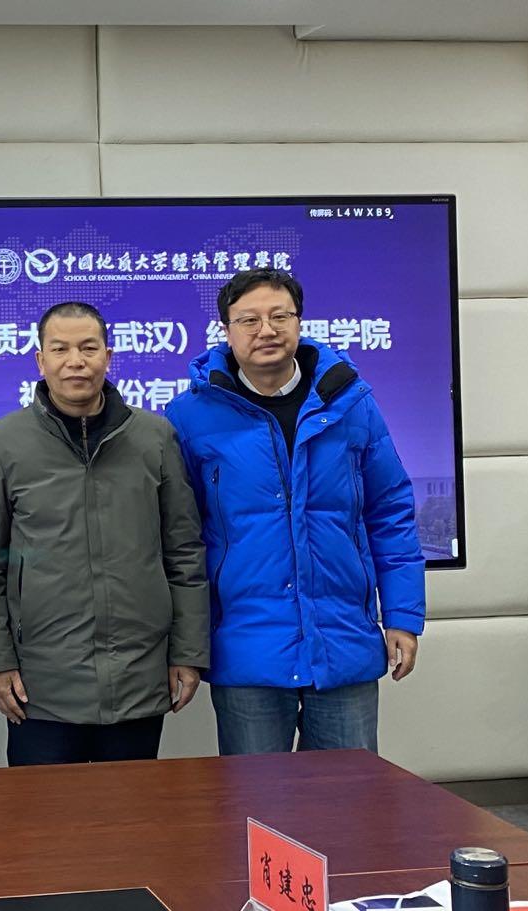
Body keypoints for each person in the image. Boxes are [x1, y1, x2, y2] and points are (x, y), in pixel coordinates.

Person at [164, 269, 425, 755]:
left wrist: (403, 616)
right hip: (247, 649)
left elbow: (390, 513)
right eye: (249, 320)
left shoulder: (350, 404)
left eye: (279, 316)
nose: (266, 330)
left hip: (342, 642)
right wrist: (186, 646)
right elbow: (179, 541)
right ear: (226, 331)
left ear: (299, 322)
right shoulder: (189, 416)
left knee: (348, 794)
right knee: (258, 797)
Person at [0, 301, 209, 766]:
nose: (75, 361)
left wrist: (189, 653)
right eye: (60, 349)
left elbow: (184, 553)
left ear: (108, 357)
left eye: (88, 348)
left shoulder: (154, 437)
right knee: (46, 813)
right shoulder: (3, 442)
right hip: (41, 685)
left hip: (138, 675)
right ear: (41, 361)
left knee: (131, 811)